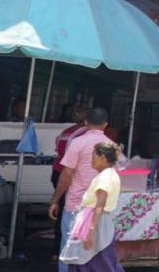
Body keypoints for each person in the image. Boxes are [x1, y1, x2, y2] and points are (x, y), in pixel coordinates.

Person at [49, 107, 112, 272]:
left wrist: (55, 200)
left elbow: (66, 175)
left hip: (75, 205)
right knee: (95, 252)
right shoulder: (111, 147)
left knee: (69, 250)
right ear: (105, 125)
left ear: (85, 122)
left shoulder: (77, 142)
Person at [59, 142, 125, 272]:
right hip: (96, 223)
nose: (91, 160)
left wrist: (90, 231)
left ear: (103, 158)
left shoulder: (105, 177)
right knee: (95, 262)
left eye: (94, 156)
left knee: (97, 264)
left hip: (96, 224)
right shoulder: (109, 174)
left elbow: (99, 205)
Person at [52, 105, 88, 262]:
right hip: (68, 173)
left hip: (57, 171)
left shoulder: (66, 131)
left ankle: (56, 250)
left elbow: (57, 148)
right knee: (71, 214)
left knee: (61, 212)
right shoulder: (83, 134)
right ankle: (72, 255)